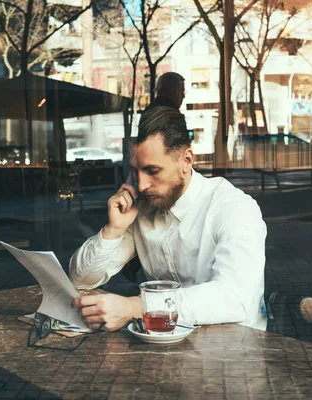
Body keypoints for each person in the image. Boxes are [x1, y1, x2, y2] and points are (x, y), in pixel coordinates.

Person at [70, 106, 267, 331]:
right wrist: (113, 230)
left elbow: (234, 298)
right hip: (167, 347)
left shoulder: (233, 208)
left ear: (186, 160)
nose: (142, 185)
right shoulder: (142, 209)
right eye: (136, 171)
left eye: (153, 171)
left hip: (236, 350)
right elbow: (80, 281)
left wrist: (137, 306)